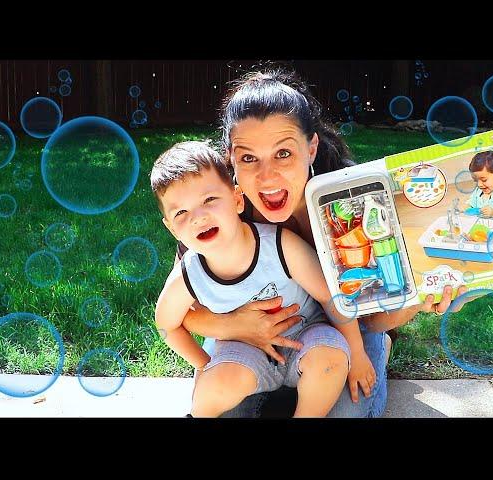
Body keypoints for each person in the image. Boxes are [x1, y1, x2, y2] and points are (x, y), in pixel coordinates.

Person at [175, 69, 468, 417]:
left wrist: (421, 301)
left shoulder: (354, 204)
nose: (266, 176)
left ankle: (381, 350)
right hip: (247, 335)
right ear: (231, 156)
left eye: (283, 153)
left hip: (338, 332)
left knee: (344, 412)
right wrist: (233, 326)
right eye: (249, 157)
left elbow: (372, 316)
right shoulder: (215, 206)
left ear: (311, 147)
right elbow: (185, 312)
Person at [152, 141, 377, 417]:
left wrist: (356, 352)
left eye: (209, 200)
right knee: (212, 390)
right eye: (181, 213)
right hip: (246, 349)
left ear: (236, 199)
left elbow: (330, 295)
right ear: (171, 228)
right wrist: (203, 364)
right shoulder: (189, 274)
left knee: (330, 360)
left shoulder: (278, 245)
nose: (198, 218)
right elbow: (166, 326)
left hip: (307, 336)